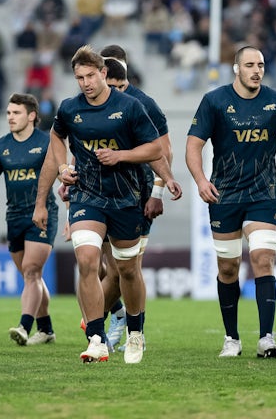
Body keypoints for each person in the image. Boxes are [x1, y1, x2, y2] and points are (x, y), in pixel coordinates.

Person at [32, 45, 180, 364]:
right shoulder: (70, 108)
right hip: (87, 196)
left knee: (126, 269)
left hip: (126, 197)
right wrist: (61, 170)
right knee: (87, 260)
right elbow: (56, 139)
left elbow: (156, 148)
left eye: (90, 76)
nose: (85, 83)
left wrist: (153, 174)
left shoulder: (131, 106)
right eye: (79, 77)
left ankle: (135, 332)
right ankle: (96, 339)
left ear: (103, 73)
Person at [186, 45, 276, 359]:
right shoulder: (215, 101)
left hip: (263, 194)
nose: (256, 70)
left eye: (261, 65)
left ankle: (266, 337)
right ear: (236, 68)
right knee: (228, 268)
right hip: (224, 196)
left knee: (263, 259)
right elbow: (193, 144)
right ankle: (232, 338)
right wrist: (200, 180)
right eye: (250, 64)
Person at [0, 93, 58, 346]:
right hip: (14, 216)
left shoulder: (48, 142)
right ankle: (46, 329)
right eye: (8, 113)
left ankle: (24, 327)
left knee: (31, 270)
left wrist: (72, 215)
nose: (10, 117)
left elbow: (63, 178)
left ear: (31, 116)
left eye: (15, 113)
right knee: (32, 277)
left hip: (42, 214)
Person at [99, 46, 174, 351]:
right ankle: (111, 318)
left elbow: (164, 150)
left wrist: (157, 191)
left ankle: (117, 324)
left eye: (119, 83)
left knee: (123, 268)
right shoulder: (92, 102)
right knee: (99, 265)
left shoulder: (145, 104)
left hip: (136, 193)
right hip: (97, 191)